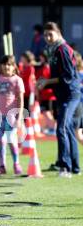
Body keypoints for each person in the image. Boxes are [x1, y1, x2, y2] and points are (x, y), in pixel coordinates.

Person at [37, 22, 81, 178]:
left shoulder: (62, 49)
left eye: (51, 34)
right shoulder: (53, 49)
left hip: (71, 94)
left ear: (58, 33)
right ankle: (75, 167)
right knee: (67, 129)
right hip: (63, 95)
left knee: (61, 127)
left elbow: (68, 77)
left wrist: (47, 82)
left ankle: (65, 167)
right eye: (46, 35)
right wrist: (45, 80)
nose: (48, 37)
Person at [0, 55, 24, 175]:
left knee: (11, 140)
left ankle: (16, 163)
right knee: (1, 141)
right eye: (5, 64)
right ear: (1, 66)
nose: (7, 67)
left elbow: (21, 99)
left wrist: (20, 116)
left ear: (14, 67)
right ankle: (2, 165)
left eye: (10, 64)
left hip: (11, 116)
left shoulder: (17, 80)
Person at [35, 52, 56, 135]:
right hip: (43, 94)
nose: (40, 59)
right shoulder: (41, 68)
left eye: (42, 57)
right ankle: (52, 128)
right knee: (46, 112)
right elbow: (38, 80)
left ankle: (54, 128)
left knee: (48, 112)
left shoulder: (48, 68)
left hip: (50, 95)